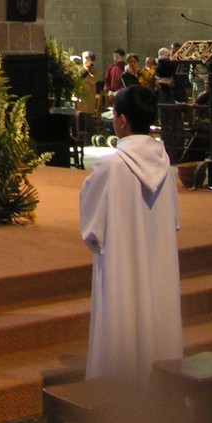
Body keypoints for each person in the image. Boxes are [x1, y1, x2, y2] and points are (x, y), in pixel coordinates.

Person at [79, 85, 182, 383]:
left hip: (121, 269)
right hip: (158, 266)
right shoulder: (165, 167)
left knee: (123, 335)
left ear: (122, 121)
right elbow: (172, 221)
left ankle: (120, 394)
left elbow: (90, 228)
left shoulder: (110, 168)